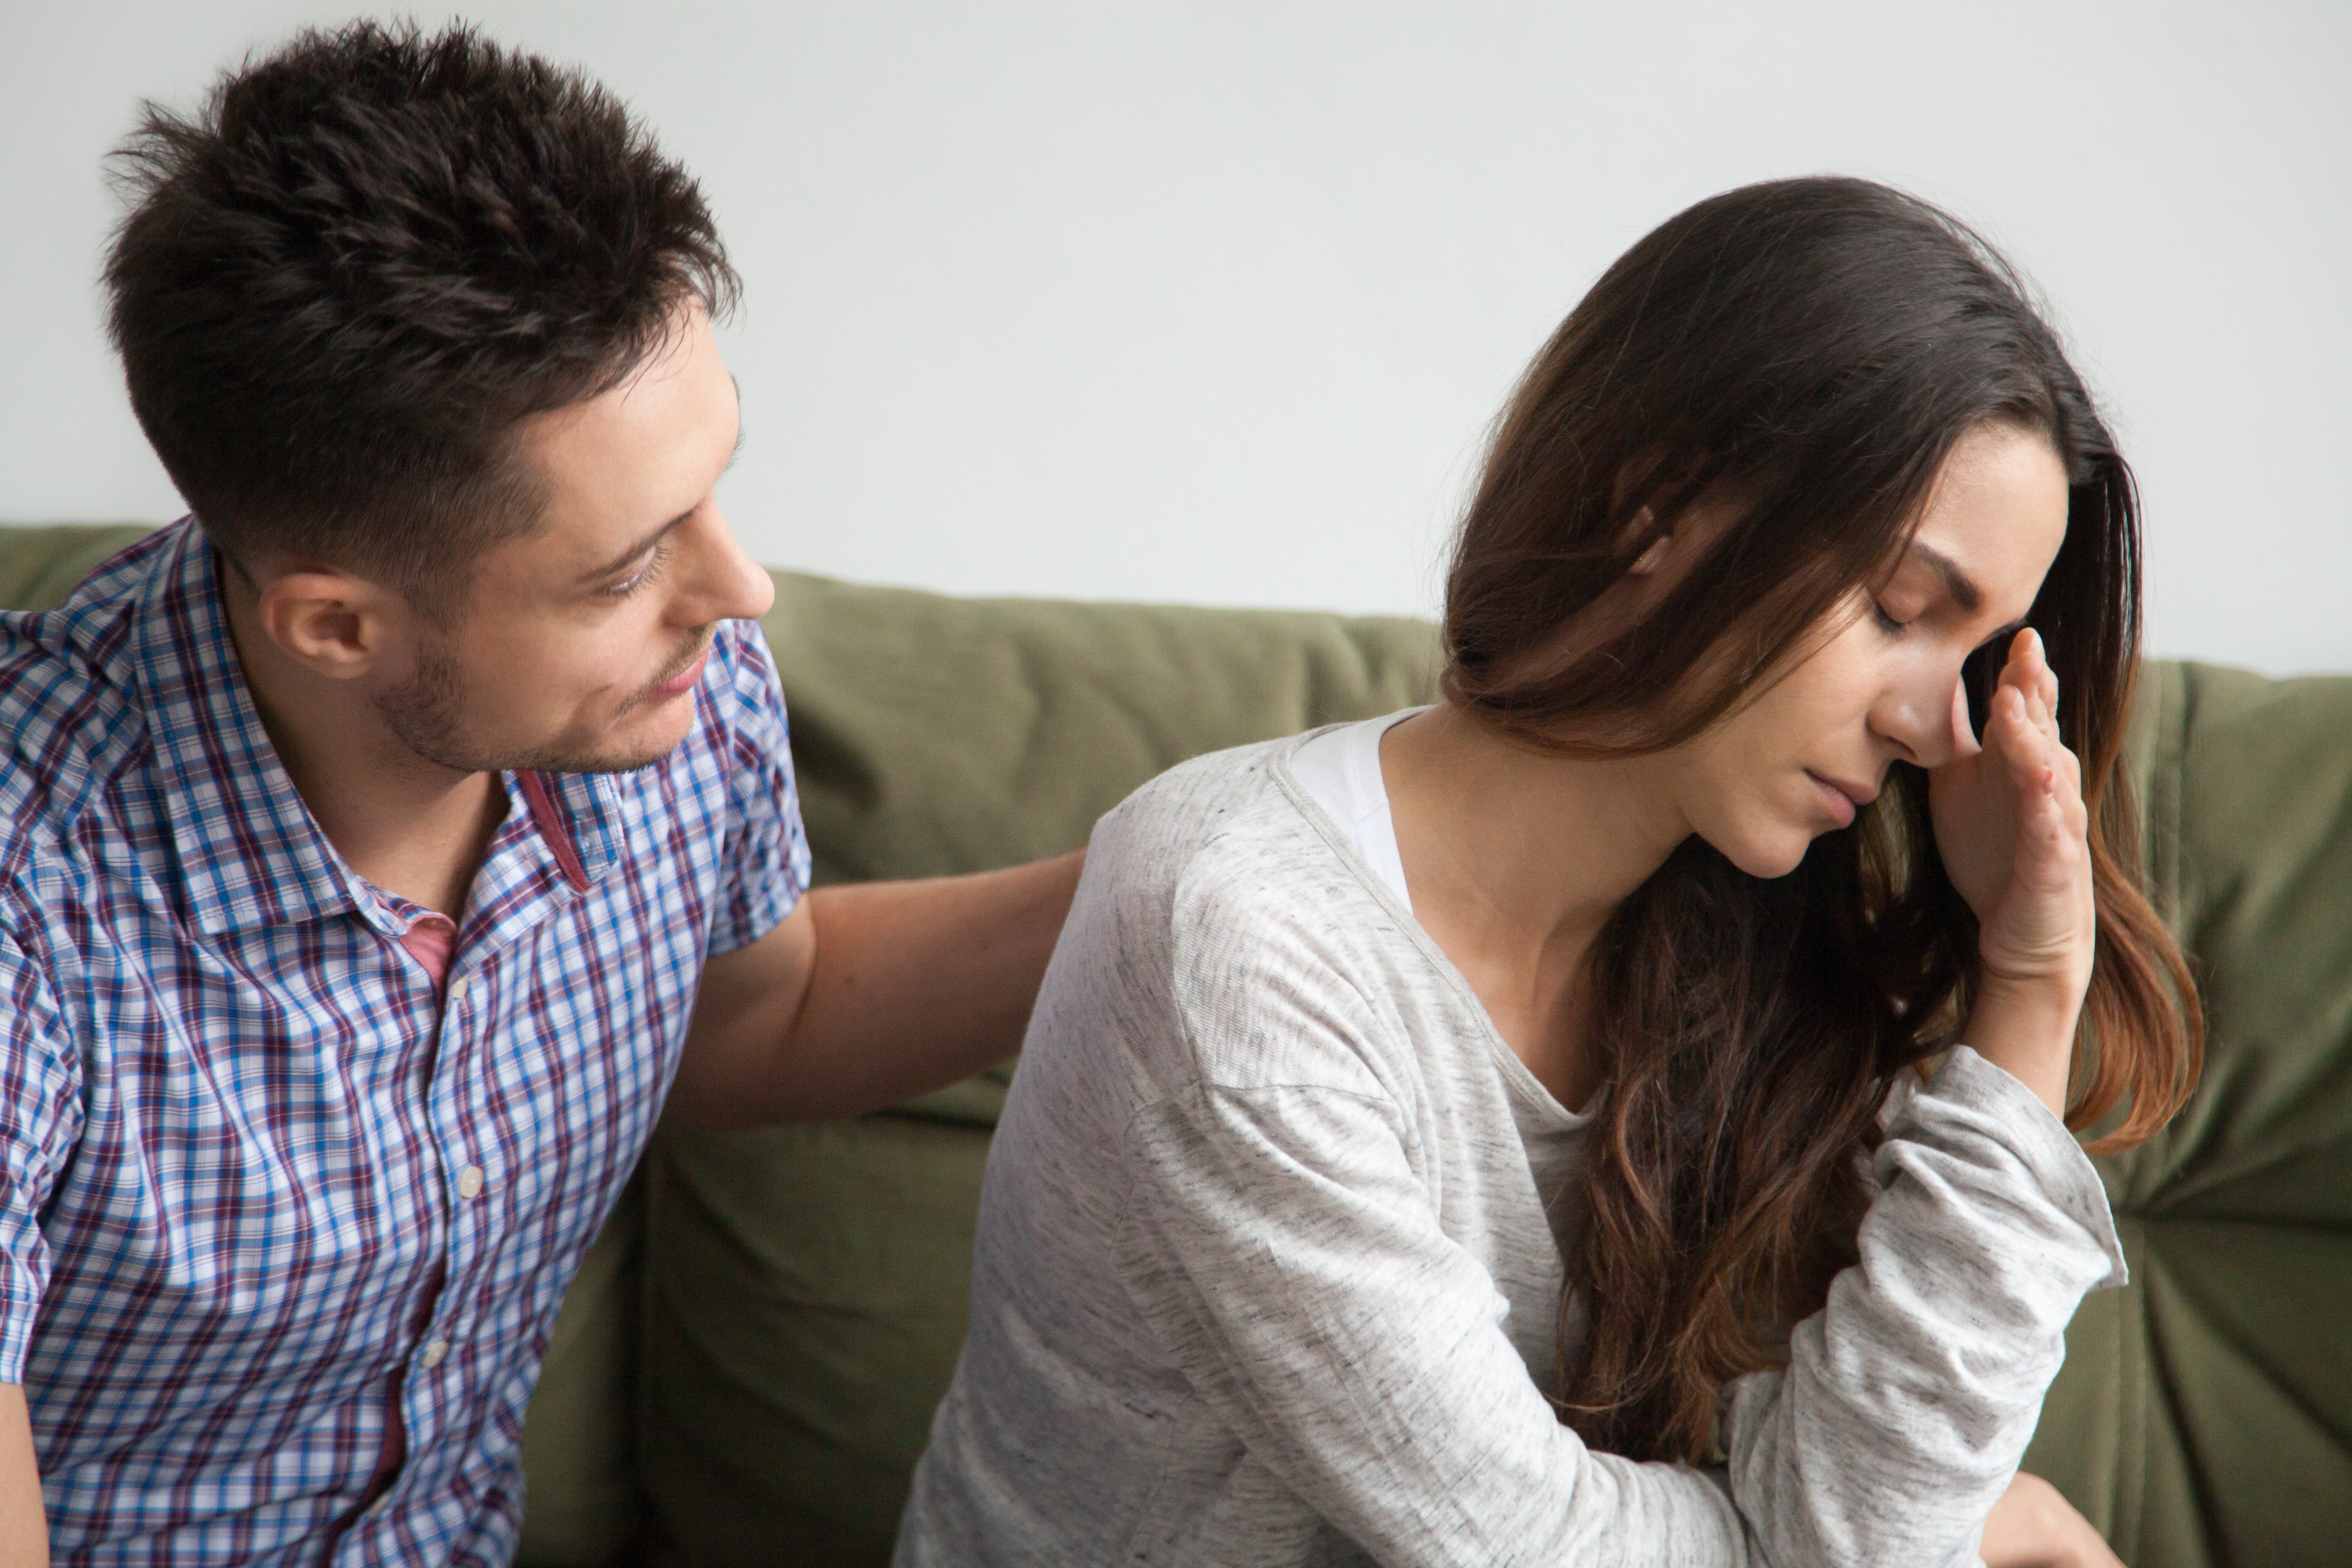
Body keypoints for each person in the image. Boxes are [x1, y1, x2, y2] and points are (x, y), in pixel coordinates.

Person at [895, 177, 2202, 1568]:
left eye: (1981, 656)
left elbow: (1860, 1524)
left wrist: (2032, 972)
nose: (1940, 725)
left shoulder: (1750, 943)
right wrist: (1985, 1527)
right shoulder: (1242, 948)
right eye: (1899, 610)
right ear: (1659, 508)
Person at [0, 22, 1081, 1564]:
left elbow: (758, 1014)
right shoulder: (32, 889)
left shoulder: (669, 703)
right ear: (339, 626)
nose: (740, 587)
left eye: (708, 496)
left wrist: (1168, 878)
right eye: (628, 565)